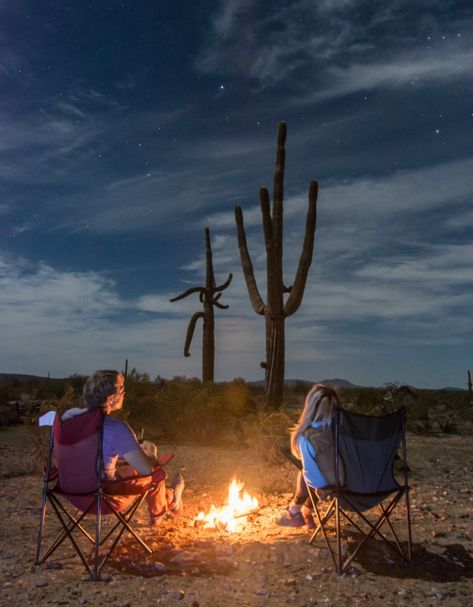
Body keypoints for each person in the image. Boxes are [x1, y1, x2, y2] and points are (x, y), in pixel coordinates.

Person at [62, 369, 184, 526]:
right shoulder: (116, 428)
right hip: (103, 498)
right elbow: (147, 469)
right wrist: (151, 453)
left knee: (127, 467)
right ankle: (167, 506)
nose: (124, 392)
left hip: (72, 493)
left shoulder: (68, 417)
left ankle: (171, 497)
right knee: (156, 474)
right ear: (110, 397)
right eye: (121, 388)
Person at [278, 383, 340, 528]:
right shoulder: (342, 428)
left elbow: (316, 480)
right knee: (316, 466)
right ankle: (306, 510)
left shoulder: (307, 437)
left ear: (310, 406)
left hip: (336, 489)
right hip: (359, 483)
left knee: (308, 471)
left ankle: (294, 512)